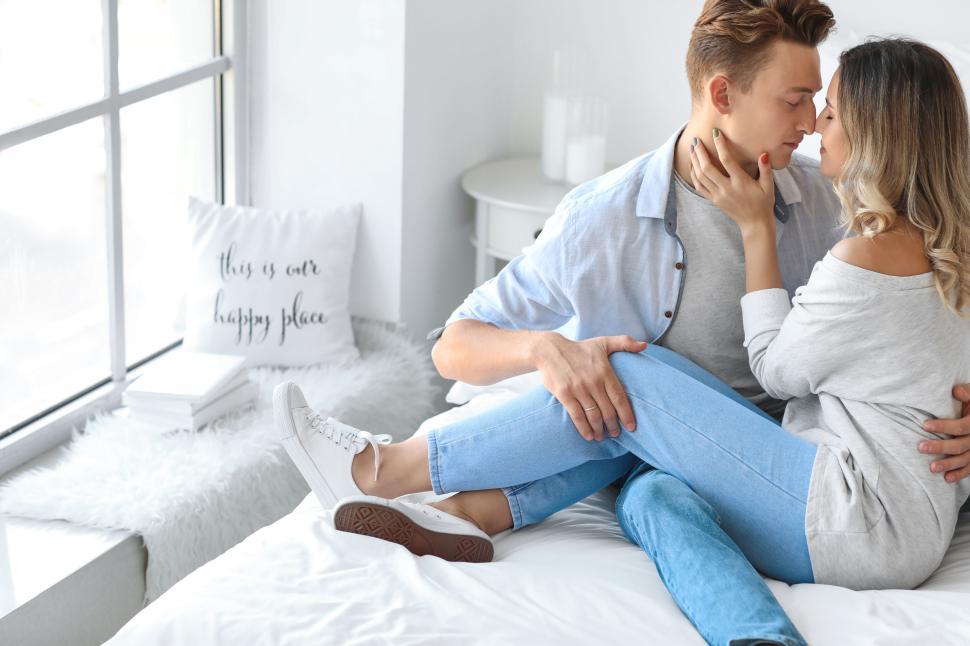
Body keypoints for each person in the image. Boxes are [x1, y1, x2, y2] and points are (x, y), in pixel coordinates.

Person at [275, 2, 970, 644]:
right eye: (795, 101)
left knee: (623, 372)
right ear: (724, 95)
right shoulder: (602, 216)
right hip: (670, 458)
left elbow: (929, 312)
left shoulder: (837, 200)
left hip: (793, 469)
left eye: (821, 105)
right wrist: (545, 349)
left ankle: (385, 469)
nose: (812, 123)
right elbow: (452, 346)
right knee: (650, 483)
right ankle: (753, 635)